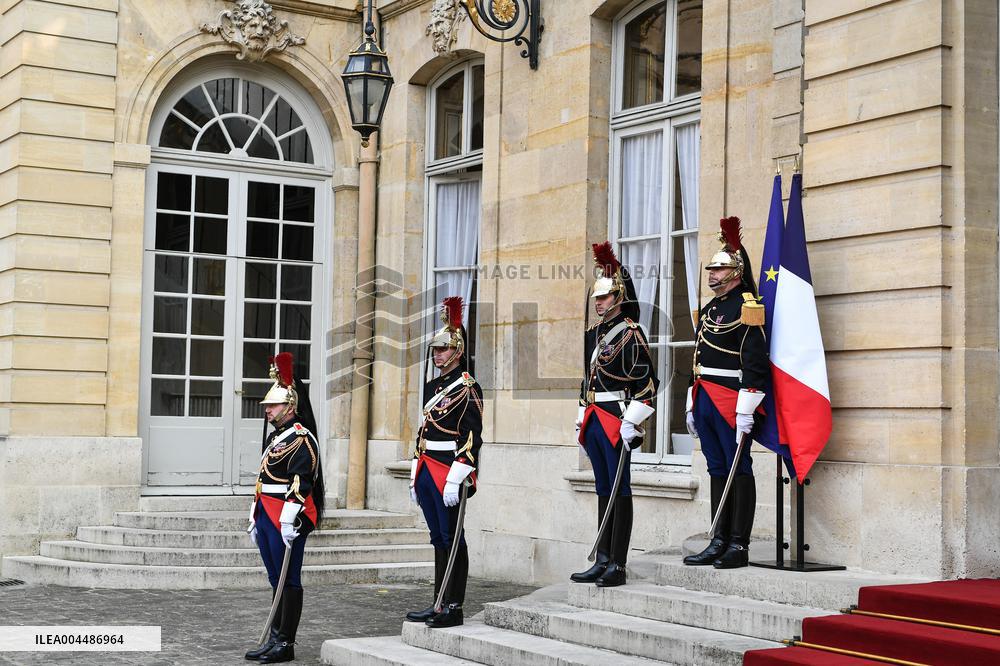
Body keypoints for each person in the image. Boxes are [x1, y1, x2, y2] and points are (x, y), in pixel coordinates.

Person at [570, 242, 658, 588]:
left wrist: (633, 422)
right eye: (596, 297)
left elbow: (647, 385)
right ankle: (602, 557)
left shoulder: (632, 333)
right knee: (603, 488)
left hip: (617, 419)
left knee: (620, 489)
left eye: (604, 297)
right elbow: (586, 378)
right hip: (594, 415)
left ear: (619, 297)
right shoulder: (594, 334)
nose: (598, 302)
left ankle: (618, 563)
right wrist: (582, 410)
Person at [683, 216, 767, 570]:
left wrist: (748, 405)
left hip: (732, 398)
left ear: (736, 271)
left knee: (739, 468)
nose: (712, 275)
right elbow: (698, 355)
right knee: (716, 467)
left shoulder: (746, 305)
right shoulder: (712, 308)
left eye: (719, 270)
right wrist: (691, 398)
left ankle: (738, 543)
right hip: (706, 395)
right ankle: (718, 537)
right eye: (711, 270)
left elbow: (755, 361)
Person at [404, 296, 484, 629]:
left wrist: (457, 476)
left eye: (443, 349)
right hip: (427, 466)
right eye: (435, 350)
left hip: (448, 470)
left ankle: (454, 605)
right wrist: (414, 470)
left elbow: (471, 436)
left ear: (458, 351)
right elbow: (424, 429)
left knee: (454, 537)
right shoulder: (431, 386)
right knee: (438, 538)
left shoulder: (469, 388)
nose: (437, 355)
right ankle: (438, 602)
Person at [244, 352, 324, 663]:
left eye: (273, 405)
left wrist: (289, 518)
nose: (267, 409)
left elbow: (302, 482)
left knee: (288, 579)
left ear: (290, 405)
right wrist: (255, 515)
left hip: (286, 516)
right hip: (267, 513)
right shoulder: (278, 437)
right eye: (267, 405)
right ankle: (275, 636)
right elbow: (263, 478)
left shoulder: (302, 439)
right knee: (274, 577)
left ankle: (286, 643)